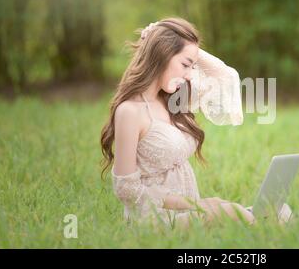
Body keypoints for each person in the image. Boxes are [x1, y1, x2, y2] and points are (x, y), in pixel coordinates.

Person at [99, 17, 255, 229]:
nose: (189, 75)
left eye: (192, 66)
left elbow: (224, 77)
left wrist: (187, 47)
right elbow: (126, 188)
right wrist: (198, 204)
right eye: (184, 65)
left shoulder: (175, 100)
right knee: (233, 213)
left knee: (276, 211)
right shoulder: (130, 111)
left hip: (191, 212)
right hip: (153, 219)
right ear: (162, 54)